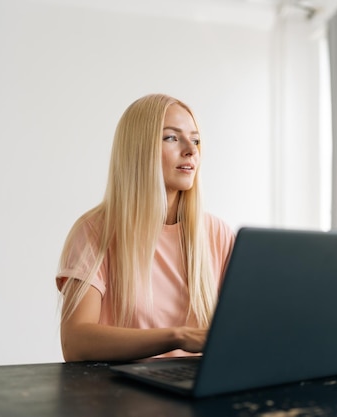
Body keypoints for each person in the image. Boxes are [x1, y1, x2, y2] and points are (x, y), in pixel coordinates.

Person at [56, 94, 235, 362]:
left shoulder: (217, 233)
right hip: (120, 396)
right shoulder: (96, 231)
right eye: (171, 138)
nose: (191, 150)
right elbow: (75, 342)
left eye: (195, 140)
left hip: (196, 390)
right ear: (139, 149)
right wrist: (178, 337)